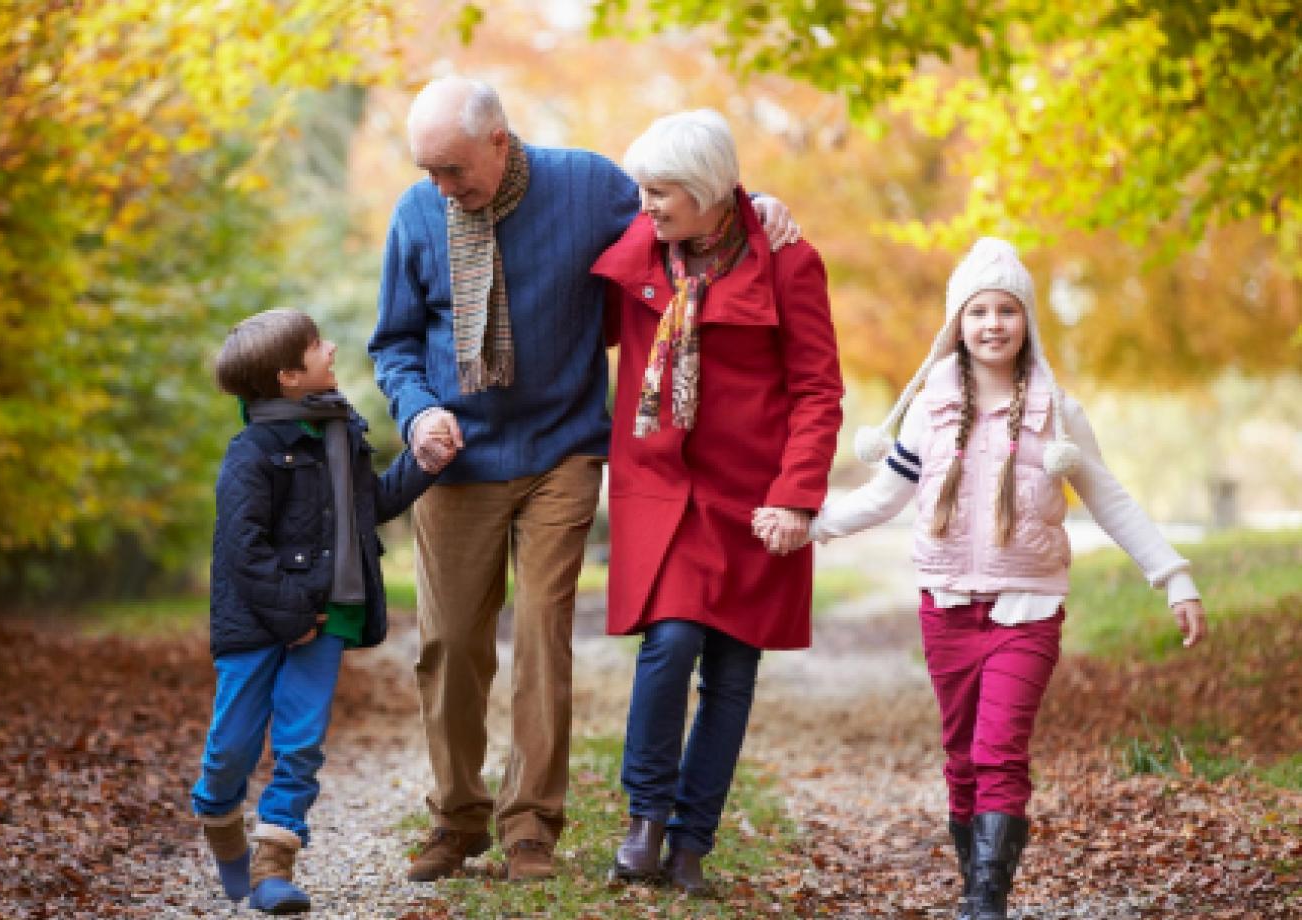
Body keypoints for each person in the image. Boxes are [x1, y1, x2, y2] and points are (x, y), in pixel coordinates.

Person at [369, 76, 798, 883]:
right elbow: (392, 342)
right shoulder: (417, 215)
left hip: (562, 447)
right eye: (428, 170)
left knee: (540, 631)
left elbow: (688, 210)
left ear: (499, 143)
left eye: (454, 170)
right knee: (450, 644)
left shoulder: (589, 186)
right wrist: (419, 410)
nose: (441, 187)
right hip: (454, 456)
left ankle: (530, 825)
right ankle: (457, 818)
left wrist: (757, 201)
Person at [758, 237, 1208, 920]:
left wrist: (1173, 577)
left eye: (1007, 310)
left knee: (999, 751)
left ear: (1027, 321)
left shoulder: (1058, 413)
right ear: (956, 325)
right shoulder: (930, 406)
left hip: (1027, 611)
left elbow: (1111, 500)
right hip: (946, 607)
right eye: (978, 312)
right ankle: (978, 879)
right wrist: (810, 523)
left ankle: (983, 901)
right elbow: (886, 495)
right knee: (961, 756)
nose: (992, 324)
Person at [592, 109, 844, 895]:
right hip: (662, 489)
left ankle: (692, 846)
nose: (647, 204)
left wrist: (797, 497)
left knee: (733, 670)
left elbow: (816, 390)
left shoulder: (789, 262)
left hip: (754, 496)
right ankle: (646, 821)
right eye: (644, 189)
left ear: (707, 194)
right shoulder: (640, 244)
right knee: (669, 645)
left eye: (664, 192)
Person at [191, 308, 446, 914]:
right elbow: (241, 549)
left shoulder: (342, 433)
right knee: (233, 745)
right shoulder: (252, 451)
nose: (330, 348)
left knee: (301, 742)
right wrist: (292, 614)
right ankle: (223, 827)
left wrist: (424, 464)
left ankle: (275, 862)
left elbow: (368, 507)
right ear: (287, 376)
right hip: (258, 622)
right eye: (314, 346)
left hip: (331, 615)